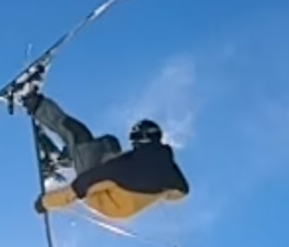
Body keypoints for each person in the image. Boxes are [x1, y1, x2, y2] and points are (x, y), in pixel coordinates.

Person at [18, 84, 189, 220]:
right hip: (121, 200)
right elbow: (182, 191)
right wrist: (153, 194)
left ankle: (32, 102)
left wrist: (45, 203)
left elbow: (83, 185)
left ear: (143, 138)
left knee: (78, 133)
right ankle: (67, 159)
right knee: (110, 142)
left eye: (134, 137)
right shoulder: (166, 164)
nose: (132, 142)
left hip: (104, 199)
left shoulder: (124, 167)